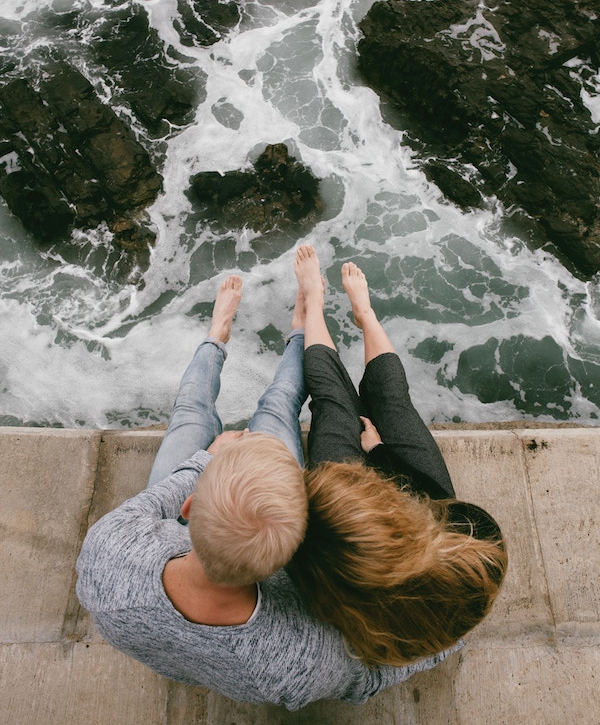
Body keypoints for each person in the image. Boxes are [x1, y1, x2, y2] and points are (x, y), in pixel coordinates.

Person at [76, 274, 461, 711]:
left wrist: (205, 462)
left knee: (190, 417)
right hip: (231, 540)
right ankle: (298, 328)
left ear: (188, 504)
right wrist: (451, 635)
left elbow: (148, 506)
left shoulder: (107, 553)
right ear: (292, 557)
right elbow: (369, 676)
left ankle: (218, 334)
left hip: (185, 528)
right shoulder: (299, 656)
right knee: (277, 404)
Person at [287, 244, 508, 667]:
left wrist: (365, 458)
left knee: (334, 405)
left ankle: (314, 302)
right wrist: (381, 453)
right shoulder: (474, 548)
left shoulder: (333, 569)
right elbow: (431, 501)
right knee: (393, 400)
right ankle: (364, 315)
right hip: (431, 505)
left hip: (360, 540)